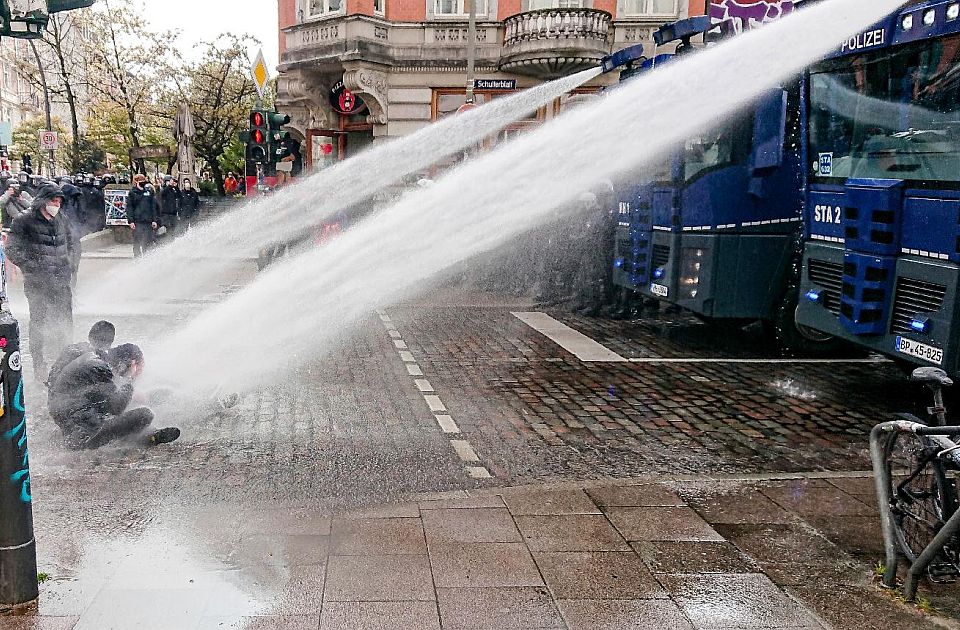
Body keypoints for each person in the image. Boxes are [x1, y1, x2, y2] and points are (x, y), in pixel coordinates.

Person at [6, 183, 80, 382]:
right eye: (53, 201)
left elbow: (72, 243)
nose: (56, 205)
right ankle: (39, 364)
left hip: (61, 281)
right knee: (39, 322)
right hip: (38, 283)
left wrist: (70, 265)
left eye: (59, 201)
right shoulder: (24, 221)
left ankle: (65, 362)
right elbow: (12, 248)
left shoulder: (61, 219)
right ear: (43, 200)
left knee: (64, 320)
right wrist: (33, 267)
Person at [48, 343, 180, 450]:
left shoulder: (93, 360)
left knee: (129, 413)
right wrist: (130, 381)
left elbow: (100, 399)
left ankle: (148, 434)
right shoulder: (101, 368)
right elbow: (116, 407)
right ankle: (145, 437)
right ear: (133, 363)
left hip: (72, 424)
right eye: (138, 369)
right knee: (145, 415)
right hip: (87, 435)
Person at [47, 320, 116, 391]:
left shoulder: (70, 350)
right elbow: (110, 391)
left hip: (54, 397)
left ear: (90, 336)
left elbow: (51, 379)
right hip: (73, 399)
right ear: (109, 343)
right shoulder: (98, 361)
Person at [126, 174, 158, 257]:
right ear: (136, 181)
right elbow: (129, 208)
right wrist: (131, 221)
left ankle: (147, 258)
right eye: (141, 182)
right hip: (138, 222)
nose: (143, 183)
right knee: (137, 241)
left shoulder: (148, 192)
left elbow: (153, 207)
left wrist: (154, 220)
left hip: (148, 221)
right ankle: (137, 257)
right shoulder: (132, 193)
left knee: (148, 242)